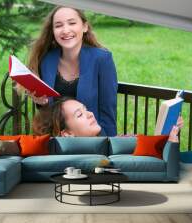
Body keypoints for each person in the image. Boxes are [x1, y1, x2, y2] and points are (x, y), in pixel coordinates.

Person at [26, 6, 118, 136]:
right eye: (58, 25)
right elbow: (50, 113)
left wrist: (108, 147)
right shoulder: (46, 59)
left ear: (85, 27)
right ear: (52, 31)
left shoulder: (102, 59)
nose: (65, 30)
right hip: (57, 141)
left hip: (93, 143)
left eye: (72, 23)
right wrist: (41, 103)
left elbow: (108, 112)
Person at [33, 97, 183, 143]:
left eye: (86, 109)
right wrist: (169, 141)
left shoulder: (113, 142)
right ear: (66, 134)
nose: (90, 114)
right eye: (80, 114)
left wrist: (169, 134)